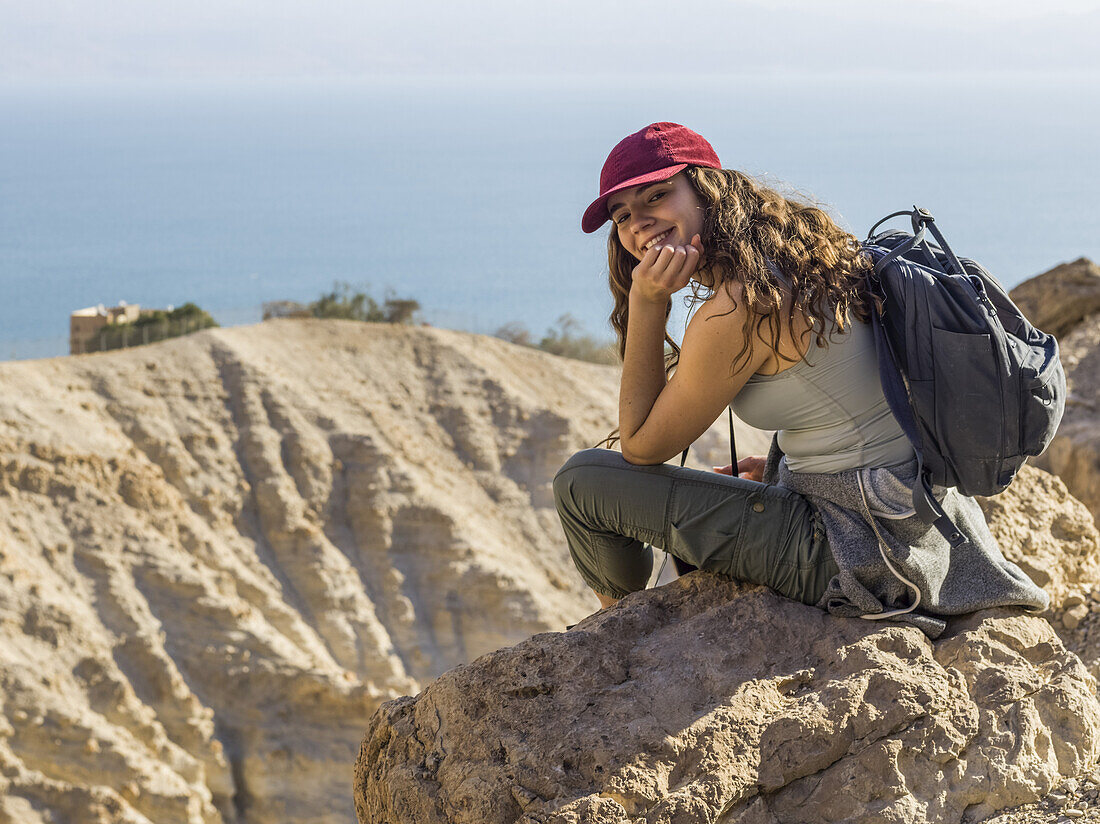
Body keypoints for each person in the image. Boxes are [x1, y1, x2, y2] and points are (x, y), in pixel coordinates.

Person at [553, 122, 1048, 637]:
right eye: (622, 215)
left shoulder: (740, 304)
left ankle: (620, 641)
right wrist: (781, 473)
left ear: (708, 190)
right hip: (913, 524)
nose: (638, 224)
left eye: (657, 196)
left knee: (582, 483)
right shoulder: (806, 258)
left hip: (860, 550)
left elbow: (640, 447)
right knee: (709, 483)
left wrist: (648, 303)